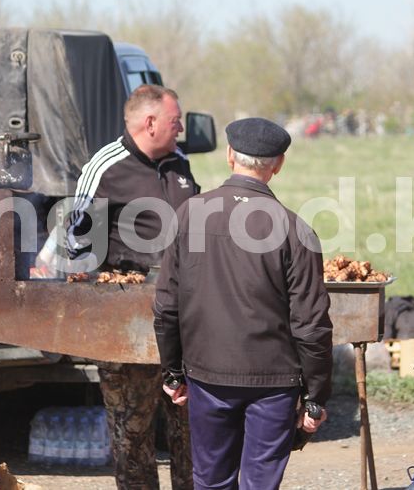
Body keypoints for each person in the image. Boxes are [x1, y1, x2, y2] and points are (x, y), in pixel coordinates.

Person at [153, 118, 333, 490]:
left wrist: (172, 371)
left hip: (208, 374)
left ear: (230, 155)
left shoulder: (189, 214)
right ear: (278, 164)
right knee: (260, 483)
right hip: (274, 381)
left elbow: (167, 304)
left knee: (212, 481)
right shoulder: (297, 231)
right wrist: (317, 395)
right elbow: (311, 324)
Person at [67, 84, 197, 489]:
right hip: (127, 325)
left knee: (192, 431)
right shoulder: (106, 166)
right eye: (176, 122)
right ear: (150, 122)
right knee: (132, 435)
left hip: (185, 321)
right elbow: (75, 239)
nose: (181, 129)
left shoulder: (181, 163)